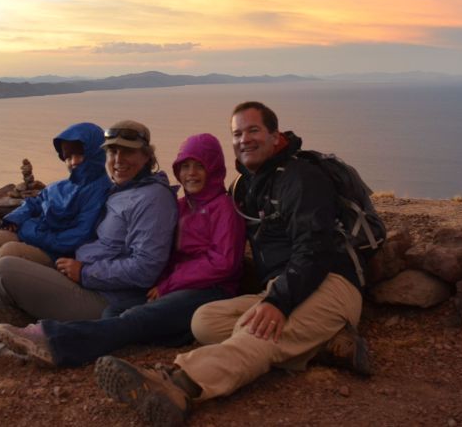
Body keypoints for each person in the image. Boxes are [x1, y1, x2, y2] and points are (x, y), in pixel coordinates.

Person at [94, 102, 370, 426]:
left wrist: (279, 303)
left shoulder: (301, 177)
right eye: (237, 133)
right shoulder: (248, 186)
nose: (244, 140)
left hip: (331, 282)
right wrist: (275, 296)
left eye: (253, 130)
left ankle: (179, 384)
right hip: (284, 286)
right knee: (205, 321)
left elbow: (315, 250)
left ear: (275, 136)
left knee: (258, 335)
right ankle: (326, 344)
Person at [0, 132, 246, 367]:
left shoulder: (223, 208)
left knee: (134, 318)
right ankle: (169, 335)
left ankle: (55, 342)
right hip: (171, 286)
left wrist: (169, 284)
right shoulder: (183, 205)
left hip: (210, 289)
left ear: (213, 168)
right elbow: (167, 254)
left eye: (200, 166)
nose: (191, 173)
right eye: (185, 166)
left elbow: (223, 262)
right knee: (115, 313)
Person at [0, 120, 178, 324]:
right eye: (112, 152)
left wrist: (85, 272)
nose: (118, 159)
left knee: (3, 272)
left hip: (106, 298)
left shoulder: (153, 199)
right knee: (6, 246)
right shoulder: (122, 189)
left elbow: (145, 269)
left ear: (146, 156)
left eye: (127, 152)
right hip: (81, 274)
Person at [0, 122, 109, 330]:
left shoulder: (100, 191)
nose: (73, 162)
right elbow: (34, 203)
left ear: (95, 153)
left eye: (79, 155)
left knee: (9, 249)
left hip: (58, 253)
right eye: (68, 157)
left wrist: (28, 230)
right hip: (40, 238)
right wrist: (15, 219)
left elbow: (76, 237)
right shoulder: (63, 185)